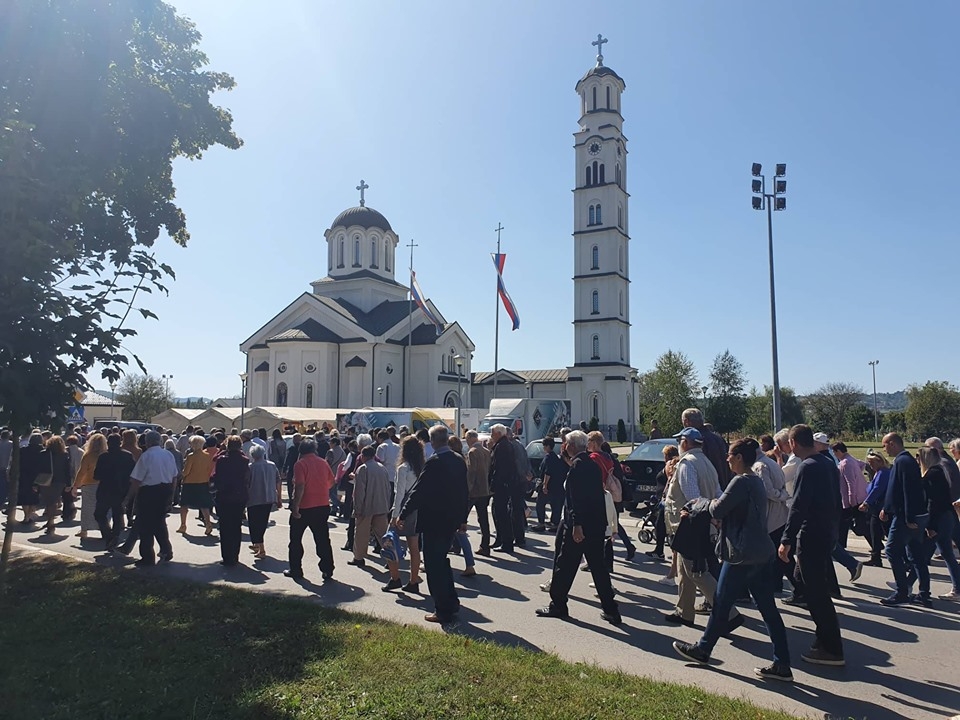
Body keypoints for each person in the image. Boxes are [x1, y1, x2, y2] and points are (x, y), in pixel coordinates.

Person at [673, 438, 792, 681]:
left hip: (741, 555)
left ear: (739, 458)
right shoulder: (756, 481)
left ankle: (703, 649)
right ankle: (782, 663)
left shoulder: (740, 481)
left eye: (730, 455)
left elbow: (717, 509)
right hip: (761, 552)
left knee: (720, 603)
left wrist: (699, 503)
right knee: (768, 609)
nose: (726, 459)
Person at [535, 430, 621, 625]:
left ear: (571, 446)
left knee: (564, 565)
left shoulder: (576, 467)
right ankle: (611, 610)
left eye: (565, 443)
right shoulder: (590, 464)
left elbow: (575, 500)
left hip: (578, 526)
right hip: (596, 525)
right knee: (599, 569)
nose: (563, 446)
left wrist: (576, 525)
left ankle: (558, 605)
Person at [778, 424, 844, 666]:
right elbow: (837, 501)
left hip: (811, 536)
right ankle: (823, 640)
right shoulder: (827, 463)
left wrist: (786, 540)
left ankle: (831, 647)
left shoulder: (807, 466)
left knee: (816, 595)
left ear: (793, 444)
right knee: (818, 592)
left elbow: (798, 506)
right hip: (826, 534)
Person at [399, 424, 469, 624]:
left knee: (434, 565)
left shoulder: (434, 462)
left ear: (432, 441)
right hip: (450, 520)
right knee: (442, 562)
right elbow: (464, 491)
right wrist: (463, 518)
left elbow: (419, 492)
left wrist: (403, 514)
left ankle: (443, 609)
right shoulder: (458, 459)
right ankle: (451, 602)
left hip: (434, 521)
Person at [663, 427, 723, 626]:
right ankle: (684, 612)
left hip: (690, 526)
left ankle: (728, 612)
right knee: (684, 570)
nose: (678, 445)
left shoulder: (687, 464)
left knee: (696, 572)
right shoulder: (706, 462)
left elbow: (693, 498)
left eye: (679, 441)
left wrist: (706, 518)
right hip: (700, 525)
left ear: (686, 443)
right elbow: (717, 493)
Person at [880, 433, 930, 606]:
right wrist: (886, 508)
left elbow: (908, 491)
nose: (883, 449)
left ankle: (902, 592)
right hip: (911, 515)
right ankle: (924, 594)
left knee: (892, 551)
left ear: (893, 444)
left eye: (884, 445)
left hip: (905, 516)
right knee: (916, 555)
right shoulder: (906, 461)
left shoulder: (902, 462)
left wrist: (908, 517)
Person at [911, 447, 960, 602]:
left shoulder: (932, 474)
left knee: (922, 555)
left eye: (918, 456)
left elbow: (934, 502)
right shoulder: (940, 471)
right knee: (946, 553)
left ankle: (907, 587)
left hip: (939, 519)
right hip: (947, 516)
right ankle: (958, 588)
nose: (917, 460)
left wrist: (931, 526)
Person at [123, 430, 177, 566]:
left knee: (146, 526)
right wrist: (171, 494)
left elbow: (136, 480)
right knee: (159, 522)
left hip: (149, 491)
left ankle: (147, 557)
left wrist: (128, 498)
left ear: (147, 442)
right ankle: (166, 550)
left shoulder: (146, 456)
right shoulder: (168, 455)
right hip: (165, 489)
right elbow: (175, 476)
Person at [285, 438, 336, 581]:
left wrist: (295, 506)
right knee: (323, 539)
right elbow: (331, 481)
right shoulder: (323, 462)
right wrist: (320, 488)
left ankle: (296, 569)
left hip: (305, 506)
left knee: (295, 540)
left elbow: (299, 486)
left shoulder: (300, 464)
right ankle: (327, 569)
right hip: (322, 505)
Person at [384, 436, 424, 592]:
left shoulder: (403, 468)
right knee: (414, 547)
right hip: (416, 509)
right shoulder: (422, 467)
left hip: (403, 508)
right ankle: (414, 582)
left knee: (389, 542)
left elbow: (399, 493)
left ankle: (395, 578)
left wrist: (395, 515)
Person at [349, 445, 392, 567]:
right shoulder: (382, 468)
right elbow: (388, 488)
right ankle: (391, 558)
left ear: (362, 456)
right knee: (383, 535)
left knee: (361, 533)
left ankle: (359, 557)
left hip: (366, 507)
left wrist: (357, 508)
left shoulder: (363, 469)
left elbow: (359, 491)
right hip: (381, 505)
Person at [93, 432, 136, 550]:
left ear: (108, 443)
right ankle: (114, 536)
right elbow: (133, 473)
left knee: (99, 514)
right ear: (120, 442)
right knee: (118, 515)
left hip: (105, 490)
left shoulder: (103, 457)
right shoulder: (127, 456)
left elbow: (96, 475)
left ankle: (108, 535)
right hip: (121, 490)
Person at [247, 443, 281, 560]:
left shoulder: (251, 467)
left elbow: (247, 483)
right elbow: (278, 481)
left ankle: (260, 547)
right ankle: (257, 544)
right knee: (262, 522)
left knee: (254, 523)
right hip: (269, 497)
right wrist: (279, 497)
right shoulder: (272, 465)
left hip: (254, 498)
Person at [488, 424, 519, 553]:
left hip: (502, 485)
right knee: (497, 512)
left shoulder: (503, 446)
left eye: (492, 433)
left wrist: (495, 484)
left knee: (502, 514)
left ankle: (507, 543)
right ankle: (500, 539)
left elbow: (500, 468)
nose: (491, 436)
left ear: (499, 434)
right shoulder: (502, 445)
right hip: (503, 484)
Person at [681, 408, 730, 489]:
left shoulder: (696, 440)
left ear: (686, 421)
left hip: (706, 489)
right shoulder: (718, 438)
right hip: (723, 487)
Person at [71, 432, 107, 540]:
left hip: (88, 484)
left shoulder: (88, 456)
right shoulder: (105, 455)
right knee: (101, 509)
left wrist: (75, 486)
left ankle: (84, 530)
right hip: (102, 485)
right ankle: (102, 529)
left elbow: (81, 472)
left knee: (87, 508)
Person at [177, 435, 215, 535]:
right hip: (203, 482)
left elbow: (186, 471)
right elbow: (209, 470)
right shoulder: (207, 456)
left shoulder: (191, 456)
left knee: (184, 505)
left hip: (190, 483)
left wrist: (181, 475)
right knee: (204, 505)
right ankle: (208, 524)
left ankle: (183, 525)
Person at [859, 450, 891, 567]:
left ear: (879, 461)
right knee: (875, 533)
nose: (870, 465)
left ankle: (905, 560)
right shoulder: (879, 472)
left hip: (880, 507)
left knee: (884, 532)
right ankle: (875, 557)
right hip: (876, 508)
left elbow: (877, 489)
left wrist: (866, 502)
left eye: (871, 462)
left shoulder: (883, 473)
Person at [464, 430, 492, 555]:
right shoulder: (487, 452)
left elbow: (471, 472)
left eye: (466, 439)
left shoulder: (472, 452)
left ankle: (457, 544)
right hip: (485, 489)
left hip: (474, 490)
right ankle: (485, 545)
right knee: (483, 519)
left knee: (462, 516)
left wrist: (467, 489)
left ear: (470, 438)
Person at [38, 435, 72, 535]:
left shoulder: (43, 454)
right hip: (59, 481)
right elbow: (67, 471)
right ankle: (50, 521)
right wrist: (68, 484)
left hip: (46, 479)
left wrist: (35, 483)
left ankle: (50, 521)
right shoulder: (64, 455)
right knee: (53, 501)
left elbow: (38, 468)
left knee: (48, 501)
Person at [532, 437, 566, 533]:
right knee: (555, 505)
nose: (543, 448)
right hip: (556, 486)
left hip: (548, 485)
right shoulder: (556, 457)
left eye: (544, 446)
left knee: (540, 504)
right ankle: (555, 524)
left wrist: (544, 485)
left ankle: (541, 523)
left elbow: (548, 472)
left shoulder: (548, 458)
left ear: (547, 446)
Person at [16, 432, 43, 525]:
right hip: (37, 477)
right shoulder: (42, 451)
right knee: (33, 497)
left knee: (24, 496)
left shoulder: (23, 450)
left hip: (24, 475)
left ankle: (26, 516)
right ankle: (30, 514)